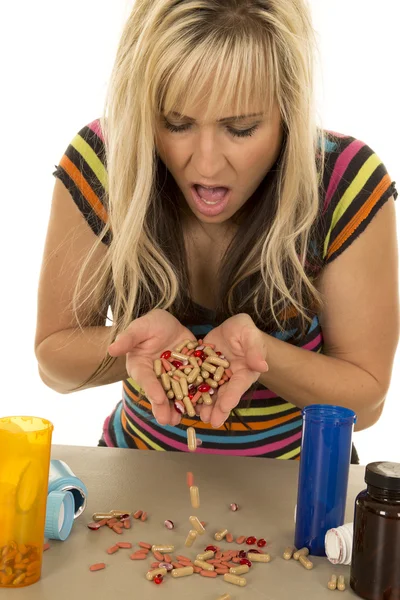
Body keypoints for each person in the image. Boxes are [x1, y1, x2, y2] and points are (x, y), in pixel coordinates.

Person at [35, 0, 399, 461]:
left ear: (288, 111)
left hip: (303, 488)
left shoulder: (344, 181)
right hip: (137, 472)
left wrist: (262, 353)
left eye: (241, 128)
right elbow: (53, 364)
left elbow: (364, 402)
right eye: (177, 124)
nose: (206, 164)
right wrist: (131, 343)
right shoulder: (105, 160)